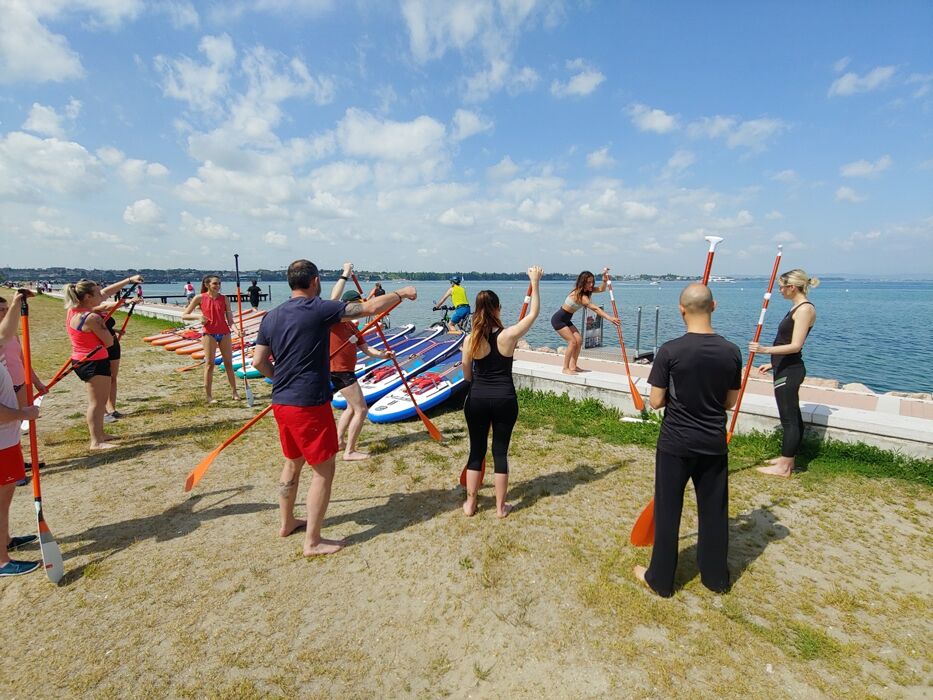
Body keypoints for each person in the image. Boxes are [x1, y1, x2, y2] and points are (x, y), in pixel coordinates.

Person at [251, 259, 417, 556]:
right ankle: (312, 541)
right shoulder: (318, 309)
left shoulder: (272, 316)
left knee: (293, 463)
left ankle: (286, 522)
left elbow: (258, 362)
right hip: (308, 404)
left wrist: (282, 379)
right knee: (324, 470)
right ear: (314, 281)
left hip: (282, 402)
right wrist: (401, 293)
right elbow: (368, 309)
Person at [633, 284, 741, 598]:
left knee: (669, 509)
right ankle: (715, 578)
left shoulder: (670, 350)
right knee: (714, 510)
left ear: (681, 309)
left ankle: (661, 579)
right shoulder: (730, 351)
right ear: (714, 306)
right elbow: (729, 402)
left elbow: (655, 401)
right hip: (712, 442)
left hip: (676, 443)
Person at [462, 266, 543, 518]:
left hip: (477, 399)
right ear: (497, 309)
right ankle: (500, 508)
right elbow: (534, 313)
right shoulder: (509, 335)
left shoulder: (470, 339)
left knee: (476, 452)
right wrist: (535, 282)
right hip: (505, 400)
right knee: (500, 452)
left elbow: (467, 375)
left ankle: (471, 504)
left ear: (476, 310)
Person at [749, 269, 819, 478]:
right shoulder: (796, 308)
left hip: (791, 370)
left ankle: (784, 467)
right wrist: (771, 363)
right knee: (792, 416)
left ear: (792, 287)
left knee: (789, 419)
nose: (779, 290)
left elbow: (795, 345)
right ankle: (787, 458)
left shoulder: (804, 309)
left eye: (781, 286)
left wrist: (764, 350)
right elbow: (786, 342)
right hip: (784, 367)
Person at [62, 276, 141, 449]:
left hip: (83, 359)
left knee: (98, 401)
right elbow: (109, 342)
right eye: (97, 293)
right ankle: (96, 441)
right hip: (94, 361)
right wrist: (110, 334)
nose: (101, 295)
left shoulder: (73, 311)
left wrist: (128, 281)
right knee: (97, 403)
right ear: (88, 297)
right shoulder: (92, 317)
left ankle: (101, 434)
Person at [0, 290, 42, 577]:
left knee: (6, 495)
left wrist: (16, 303)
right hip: (2, 437)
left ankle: (5, 540)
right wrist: (23, 414)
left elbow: (5, 333)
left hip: (8, 437)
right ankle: (1, 561)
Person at [328, 285, 394, 461]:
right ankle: (350, 451)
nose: (358, 310)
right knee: (361, 409)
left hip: (347, 370)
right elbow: (333, 301)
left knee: (351, 407)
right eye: (355, 306)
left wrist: (383, 355)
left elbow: (366, 349)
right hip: (339, 371)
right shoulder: (336, 320)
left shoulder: (353, 327)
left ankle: (339, 441)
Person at [182, 275, 241, 404]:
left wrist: (238, 331)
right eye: (215, 283)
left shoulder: (224, 299)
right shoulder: (199, 298)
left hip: (225, 333)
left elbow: (230, 321)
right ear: (207, 284)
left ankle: (234, 392)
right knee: (209, 365)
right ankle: (209, 396)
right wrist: (199, 317)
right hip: (209, 334)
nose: (218, 286)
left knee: (228, 364)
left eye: (219, 283)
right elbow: (185, 315)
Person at [550, 268, 621, 374]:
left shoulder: (587, 291)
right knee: (572, 342)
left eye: (592, 282)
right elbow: (595, 308)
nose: (591, 284)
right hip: (558, 320)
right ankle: (565, 368)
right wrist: (610, 318)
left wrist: (605, 281)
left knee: (579, 340)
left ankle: (573, 366)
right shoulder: (580, 295)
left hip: (566, 319)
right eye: (588, 282)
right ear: (582, 282)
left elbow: (601, 289)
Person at [0, 296, 47, 408]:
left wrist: (36, 382)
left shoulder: (12, 333)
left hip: (20, 384)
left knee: (20, 419)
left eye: (7, 309)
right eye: (1, 310)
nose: (6, 313)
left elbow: (22, 359)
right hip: (3, 387)